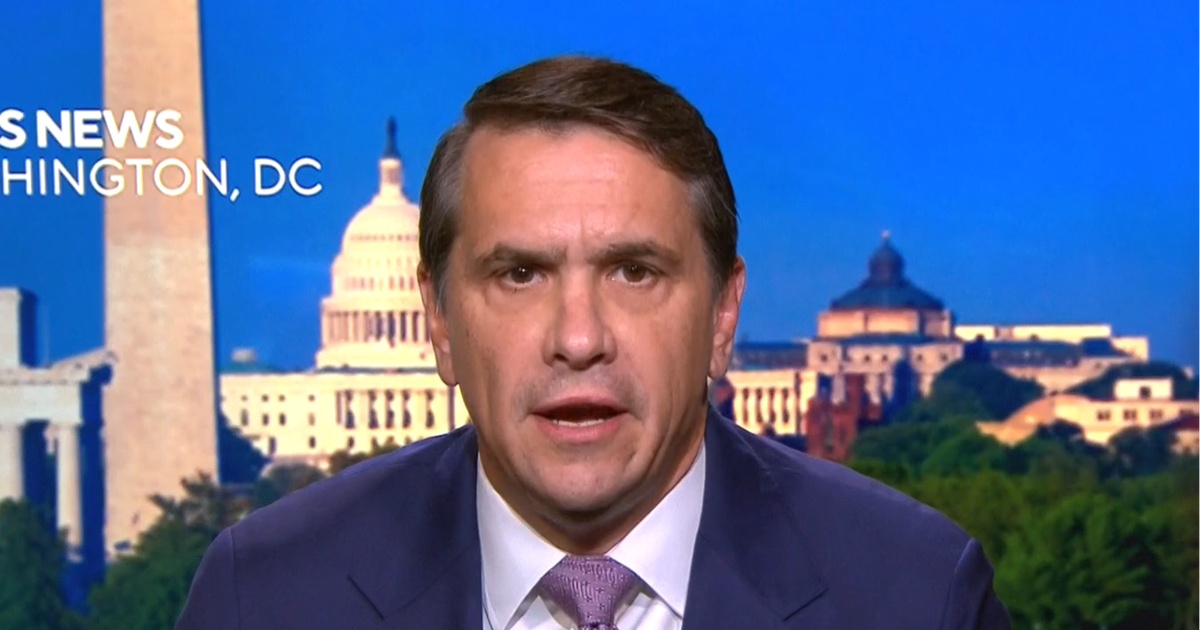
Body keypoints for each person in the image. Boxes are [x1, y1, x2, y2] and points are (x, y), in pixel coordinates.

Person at [175, 54, 1010, 630]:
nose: (578, 339)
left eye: (634, 273)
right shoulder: (267, 596)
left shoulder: (916, 595)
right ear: (438, 321)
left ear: (723, 315)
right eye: (520, 275)